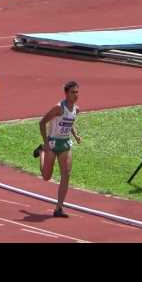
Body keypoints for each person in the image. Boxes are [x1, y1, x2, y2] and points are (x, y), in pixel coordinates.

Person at [32, 81, 82, 218]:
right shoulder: (58, 108)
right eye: (73, 92)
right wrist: (45, 143)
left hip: (65, 144)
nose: (75, 95)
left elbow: (69, 122)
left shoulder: (76, 109)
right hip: (52, 144)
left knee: (66, 175)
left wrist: (76, 135)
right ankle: (41, 151)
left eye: (77, 92)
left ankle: (59, 208)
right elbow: (42, 122)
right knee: (46, 177)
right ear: (66, 93)